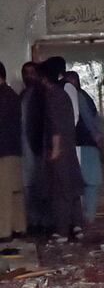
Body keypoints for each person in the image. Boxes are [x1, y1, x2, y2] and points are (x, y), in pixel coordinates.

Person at [38, 58, 83, 242]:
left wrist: (54, 151)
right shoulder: (63, 94)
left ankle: (62, 232)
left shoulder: (52, 95)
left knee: (59, 191)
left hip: (60, 149)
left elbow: (55, 126)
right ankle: (78, 226)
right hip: (69, 147)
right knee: (71, 189)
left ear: (44, 77)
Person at [65, 72, 104, 223]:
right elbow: (92, 119)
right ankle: (88, 216)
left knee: (86, 182)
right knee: (90, 182)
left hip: (83, 143)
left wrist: (96, 137)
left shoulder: (77, 97)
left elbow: (88, 120)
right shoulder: (83, 96)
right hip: (86, 144)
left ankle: (85, 217)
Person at [0, 62, 25, 241]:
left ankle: (4, 231)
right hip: (14, 148)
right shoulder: (12, 95)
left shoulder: (1, 96)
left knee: (3, 193)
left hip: (3, 150)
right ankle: (19, 226)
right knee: (15, 192)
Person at [19, 61, 44, 234]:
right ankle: (33, 222)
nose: (29, 76)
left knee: (40, 185)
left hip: (37, 145)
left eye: (32, 72)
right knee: (28, 187)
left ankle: (43, 222)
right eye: (26, 73)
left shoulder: (41, 95)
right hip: (23, 147)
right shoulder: (22, 95)